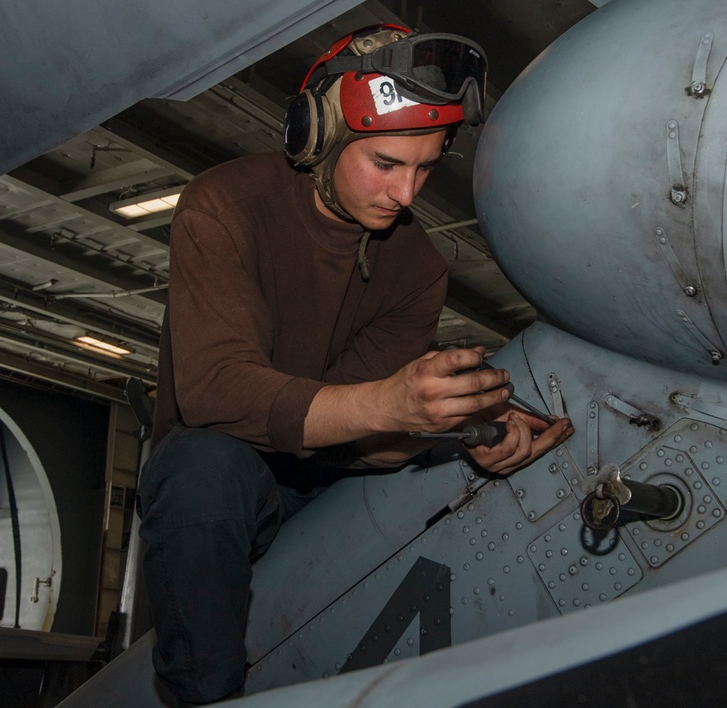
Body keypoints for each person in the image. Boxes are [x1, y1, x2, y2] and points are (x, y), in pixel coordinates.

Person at [137, 24, 573, 706]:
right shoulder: (224, 207)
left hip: (328, 470)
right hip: (226, 478)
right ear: (317, 136)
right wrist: (393, 406)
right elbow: (215, 393)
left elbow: (362, 432)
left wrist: (463, 430)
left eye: (426, 168)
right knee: (200, 467)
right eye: (387, 164)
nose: (407, 195)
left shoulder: (419, 267)